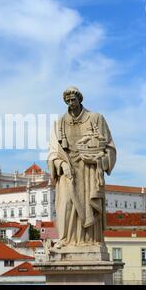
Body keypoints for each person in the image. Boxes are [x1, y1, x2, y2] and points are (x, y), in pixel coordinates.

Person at [47, 86, 116, 248]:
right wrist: (61, 164)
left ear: (80, 99)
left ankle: (91, 241)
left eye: (73, 100)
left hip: (90, 171)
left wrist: (99, 160)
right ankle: (66, 239)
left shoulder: (96, 118)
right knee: (66, 205)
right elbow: (52, 153)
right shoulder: (59, 123)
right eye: (67, 101)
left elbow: (110, 147)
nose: (71, 103)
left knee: (88, 206)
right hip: (67, 171)